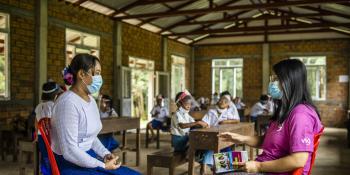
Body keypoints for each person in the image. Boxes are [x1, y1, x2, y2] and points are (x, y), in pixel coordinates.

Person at [219, 59, 323, 174]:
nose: (272, 83)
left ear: (291, 82)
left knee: (222, 170)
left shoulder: (301, 115)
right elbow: (267, 141)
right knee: (219, 162)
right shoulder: (286, 110)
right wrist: (240, 138)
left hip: (272, 171)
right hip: (265, 164)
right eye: (273, 79)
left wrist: (258, 167)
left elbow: (298, 160)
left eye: (277, 79)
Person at [50, 54, 140, 174]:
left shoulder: (90, 100)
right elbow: (69, 151)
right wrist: (102, 165)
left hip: (87, 158)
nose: (100, 78)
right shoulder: (67, 103)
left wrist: (105, 154)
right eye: (97, 73)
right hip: (71, 164)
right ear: (82, 74)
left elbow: (90, 138)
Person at [196, 95, 240, 171]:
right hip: (211, 136)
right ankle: (208, 166)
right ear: (218, 102)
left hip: (223, 136)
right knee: (211, 147)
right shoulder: (211, 111)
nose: (222, 102)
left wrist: (225, 121)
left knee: (226, 146)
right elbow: (205, 122)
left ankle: (224, 168)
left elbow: (237, 120)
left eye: (225, 102)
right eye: (221, 100)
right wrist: (203, 125)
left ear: (228, 104)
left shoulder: (229, 112)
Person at [34, 81, 62, 175]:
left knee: (46, 157)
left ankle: (45, 172)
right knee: (55, 157)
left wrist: (37, 136)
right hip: (53, 138)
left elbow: (36, 123)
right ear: (55, 95)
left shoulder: (38, 107)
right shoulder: (55, 106)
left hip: (42, 137)